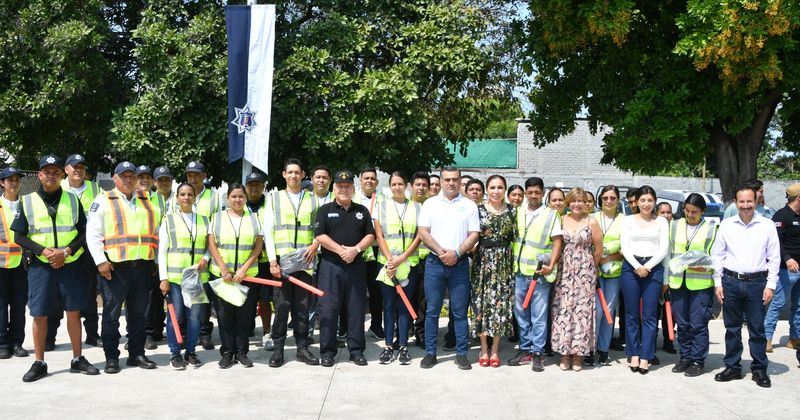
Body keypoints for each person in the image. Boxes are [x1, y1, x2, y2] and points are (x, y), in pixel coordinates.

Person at [15, 155, 99, 382]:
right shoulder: (27, 201)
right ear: (39, 175)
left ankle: (77, 358)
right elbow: (19, 235)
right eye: (46, 172)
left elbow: (85, 233)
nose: (51, 176)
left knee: (73, 312)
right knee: (40, 314)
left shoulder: (73, 200)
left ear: (62, 175)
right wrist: (45, 251)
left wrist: (66, 252)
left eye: (55, 172)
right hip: (41, 267)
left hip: (70, 264)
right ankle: (39, 362)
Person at [87, 161, 159, 373]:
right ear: (115, 178)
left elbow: (156, 233)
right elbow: (93, 234)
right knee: (111, 316)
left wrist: (155, 263)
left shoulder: (147, 201)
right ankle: (111, 357)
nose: (128, 180)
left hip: (143, 267)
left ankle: (137, 354)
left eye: (132, 176)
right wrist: (100, 261)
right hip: (115, 269)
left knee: (138, 315)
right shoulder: (103, 200)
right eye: (124, 176)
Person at [712, 184, 779, 388]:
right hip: (730, 282)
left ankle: (759, 368)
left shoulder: (767, 225)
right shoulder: (727, 225)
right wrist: (718, 282)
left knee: (756, 329)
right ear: (735, 202)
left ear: (756, 202)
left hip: (757, 283)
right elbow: (718, 254)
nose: (746, 205)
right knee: (731, 328)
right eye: (741, 201)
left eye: (749, 201)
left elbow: (774, 258)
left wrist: (771, 285)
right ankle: (732, 366)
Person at [417, 166, 479, 370]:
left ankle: (461, 353)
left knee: (460, 312)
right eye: (447, 179)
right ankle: (430, 352)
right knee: (433, 311)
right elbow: (423, 232)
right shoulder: (430, 204)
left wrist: (457, 253)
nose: (451, 183)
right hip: (435, 263)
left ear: (460, 181)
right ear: (441, 181)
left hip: (459, 264)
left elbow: (474, 235)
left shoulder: (469, 205)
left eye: (455, 179)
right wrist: (442, 252)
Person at [262, 159, 321, 367]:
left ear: (303, 174)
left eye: (297, 172)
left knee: (302, 308)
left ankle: (302, 349)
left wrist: (315, 245)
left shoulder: (313, 199)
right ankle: (278, 349)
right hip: (282, 264)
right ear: (284, 174)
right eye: (290, 172)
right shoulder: (274, 198)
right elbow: (268, 231)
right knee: (282, 306)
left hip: (305, 262)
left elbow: (319, 230)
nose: (294, 176)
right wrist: (272, 261)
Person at [314, 170, 376, 367]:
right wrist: (341, 251)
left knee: (356, 309)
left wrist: (356, 249)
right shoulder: (324, 210)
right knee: (328, 310)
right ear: (334, 189)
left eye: (347, 186)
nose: (344, 189)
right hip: (331, 267)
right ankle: (327, 352)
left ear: (353, 189)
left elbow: (370, 236)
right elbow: (319, 235)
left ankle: (356, 351)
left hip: (355, 266)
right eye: (340, 186)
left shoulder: (362, 211)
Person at [48, 154, 103, 349]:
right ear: (66, 170)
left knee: (89, 293)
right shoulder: (58, 188)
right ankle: (49, 337)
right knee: (56, 293)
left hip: (88, 248)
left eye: (81, 167)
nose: (78, 170)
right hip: (63, 250)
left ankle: (92, 334)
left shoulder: (96, 189)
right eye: (74, 167)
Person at [508, 177, 563, 371]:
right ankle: (525, 349)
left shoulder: (551, 214)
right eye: (529, 192)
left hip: (539, 272)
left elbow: (557, 241)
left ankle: (538, 352)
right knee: (521, 312)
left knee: (538, 314)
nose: (533, 196)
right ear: (525, 193)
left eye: (537, 192)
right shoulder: (518, 211)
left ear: (543, 193)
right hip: (519, 270)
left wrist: (551, 264)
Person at [207, 183, 263, 368]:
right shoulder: (217, 218)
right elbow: (212, 245)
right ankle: (227, 352)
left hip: (246, 277)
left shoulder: (254, 218)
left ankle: (242, 352)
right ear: (228, 198)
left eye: (241, 196)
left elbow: (258, 246)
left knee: (245, 317)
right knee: (224, 317)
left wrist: (244, 269)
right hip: (223, 277)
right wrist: (223, 269)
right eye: (234, 196)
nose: (237, 200)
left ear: (246, 198)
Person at [665, 193, 717, 377]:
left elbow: (716, 257)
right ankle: (685, 357)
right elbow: (668, 254)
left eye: (694, 212)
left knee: (698, 323)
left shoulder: (712, 228)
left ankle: (697, 360)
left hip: (700, 283)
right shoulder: (674, 225)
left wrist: (707, 267)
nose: (690, 214)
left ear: (702, 211)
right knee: (683, 323)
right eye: (687, 210)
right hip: (678, 282)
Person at [158, 183, 209, 369]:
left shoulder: (204, 220)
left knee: (195, 318)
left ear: (194, 197)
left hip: (196, 278)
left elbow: (208, 247)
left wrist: (206, 258)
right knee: (175, 317)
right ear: (177, 198)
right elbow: (162, 251)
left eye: (189, 194)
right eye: (182, 194)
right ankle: (174, 353)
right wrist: (163, 278)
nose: (186, 197)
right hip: (175, 278)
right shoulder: (168, 220)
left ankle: (191, 352)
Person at [551, 188, 603, 371]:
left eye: (580, 201)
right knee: (564, 310)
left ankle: (579, 355)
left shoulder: (592, 222)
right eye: (573, 201)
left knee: (582, 313)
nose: (576, 204)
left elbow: (598, 250)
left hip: (585, 273)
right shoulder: (561, 219)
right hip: (564, 271)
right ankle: (565, 353)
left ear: (586, 203)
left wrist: (587, 267)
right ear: (568, 202)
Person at [619, 185, 669, 374]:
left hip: (653, 269)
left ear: (654, 201)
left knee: (649, 315)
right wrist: (636, 266)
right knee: (631, 315)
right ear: (636, 202)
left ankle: (646, 356)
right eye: (642, 200)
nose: (646, 204)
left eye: (650, 200)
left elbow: (663, 249)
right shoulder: (628, 220)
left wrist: (647, 267)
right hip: (631, 268)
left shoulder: (661, 222)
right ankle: (633, 354)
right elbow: (624, 245)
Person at [374, 171, 422, 365]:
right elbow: (379, 235)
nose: (397, 187)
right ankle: (387, 346)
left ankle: (402, 346)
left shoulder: (417, 207)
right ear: (390, 186)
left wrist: (402, 258)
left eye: (400, 184)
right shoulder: (381, 207)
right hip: (387, 264)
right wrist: (390, 261)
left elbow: (419, 236)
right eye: (393, 184)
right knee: (388, 305)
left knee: (404, 306)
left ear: (407, 185)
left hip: (408, 264)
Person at [471, 175, 515, 368]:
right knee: (481, 304)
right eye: (492, 187)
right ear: (486, 190)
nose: (496, 191)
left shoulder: (513, 212)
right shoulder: (477, 211)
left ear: (504, 190)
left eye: (500, 187)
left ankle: (495, 349)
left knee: (500, 306)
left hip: (504, 264)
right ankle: (483, 348)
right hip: (482, 263)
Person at [588, 185, 625, 366]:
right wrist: (596, 262)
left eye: (612, 198)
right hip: (592, 271)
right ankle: (589, 348)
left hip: (614, 273)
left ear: (618, 200)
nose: (609, 201)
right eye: (605, 198)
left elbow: (627, 249)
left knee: (609, 311)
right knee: (595, 310)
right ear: (600, 200)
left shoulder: (625, 221)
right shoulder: (592, 218)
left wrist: (607, 258)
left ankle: (603, 349)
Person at [186, 161, 220, 350]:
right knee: (186, 298)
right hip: (184, 257)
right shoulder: (181, 195)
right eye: (190, 174)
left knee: (204, 299)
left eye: (197, 174)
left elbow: (215, 231)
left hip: (205, 257)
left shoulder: (214, 197)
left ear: (204, 175)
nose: (193, 178)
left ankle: (205, 334)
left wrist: (207, 256)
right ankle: (186, 333)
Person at [765, 184, 800, 352]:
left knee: (799, 306)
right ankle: (767, 338)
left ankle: (794, 338)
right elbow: (776, 242)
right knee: (778, 303)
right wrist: (787, 259)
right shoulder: (781, 216)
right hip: (785, 270)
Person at [136, 164, 166, 349]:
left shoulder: (160, 200)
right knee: (141, 299)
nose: (144, 180)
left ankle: (155, 331)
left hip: (156, 256)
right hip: (136, 256)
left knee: (156, 297)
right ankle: (142, 334)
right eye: (141, 177)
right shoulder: (131, 199)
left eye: (148, 177)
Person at [353, 167, 384, 341]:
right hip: (357, 250)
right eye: (366, 178)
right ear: (360, 180)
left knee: (376, 291)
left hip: (376, 249)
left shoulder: (383, 199)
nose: (369, 181)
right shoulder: (353, 198)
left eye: (372, 178)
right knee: (354, 291)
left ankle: (376, 325)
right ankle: (352, 326)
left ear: (377, 182)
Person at [243, 171, 273, 350]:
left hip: (264, 262)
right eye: (250, 185)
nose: (254, 188)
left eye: (258, 185)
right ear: (246, 187)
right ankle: (245, 330)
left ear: (263, 187)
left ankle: (267, 333)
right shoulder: (239, 204)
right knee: (246, 299)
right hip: (244, 262)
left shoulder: (269, 206)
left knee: (264, 299)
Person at [0, 167, 27, 360]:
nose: (14, 183)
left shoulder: (26, 205)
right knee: (1, 305)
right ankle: (2, 343)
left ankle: (17, 342)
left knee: (19, 305)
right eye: (10, 180)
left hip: (22, 264)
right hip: (1, 264)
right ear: (2, 183)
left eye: (16, 179)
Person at [308, 165, 333, 343]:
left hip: (331, 254)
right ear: (312, 179)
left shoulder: (336, 199)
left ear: (330, 180)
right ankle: (308, 332)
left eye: (324, 177)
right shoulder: (305, 200)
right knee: (309, 297)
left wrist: (319, 241)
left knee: (331, 295)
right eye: (318, 177)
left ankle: (332, 331)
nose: (321, 180)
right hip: (309, 255)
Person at [409, 171, 431, 348]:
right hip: (407, 260)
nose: (421, 188)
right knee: (405, 298)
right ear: (411, 186)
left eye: (424, 185)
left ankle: (421, 334)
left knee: (423, 300)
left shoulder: (433, 207)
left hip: (427, 260)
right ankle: (402, 331)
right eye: (418, 184)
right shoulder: (406, 207)